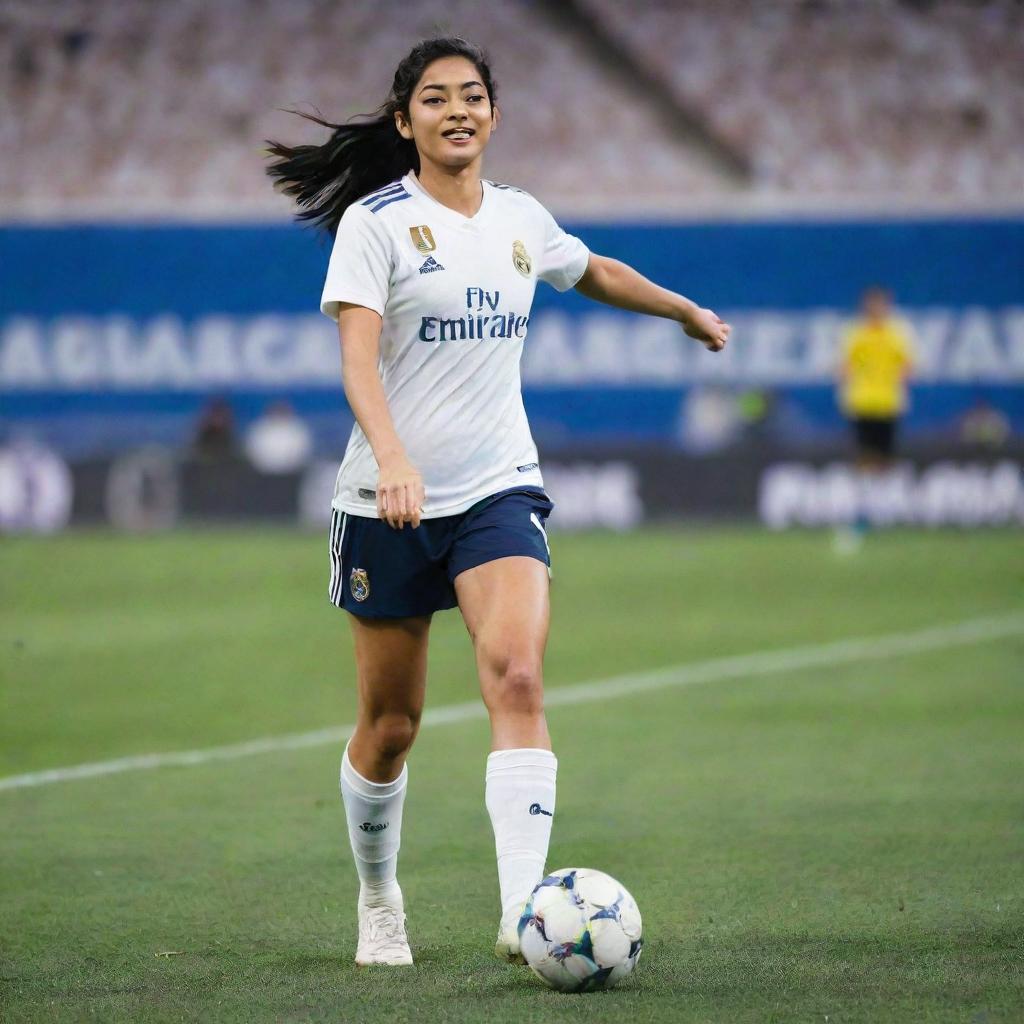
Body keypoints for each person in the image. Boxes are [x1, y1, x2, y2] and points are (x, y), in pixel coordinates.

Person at [266, 37, 729, 968]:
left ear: (495, 115)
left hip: (497, 488)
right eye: (435, 99)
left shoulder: (521, 219)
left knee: (517, 674)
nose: (457, 110)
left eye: (472, 95)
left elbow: (590, 268)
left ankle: (526, 913)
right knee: (391, 727)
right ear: (406, 123)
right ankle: (378, 895)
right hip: (385, 500)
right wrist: (392, 457)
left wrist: (679, 309)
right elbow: (357, 360)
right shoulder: (376, 223)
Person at [839, 286, 916, 472]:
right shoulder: (855, 332)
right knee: (864, 454)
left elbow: (908, 365)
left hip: (887, 401)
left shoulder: (897, 333)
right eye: (872, 304)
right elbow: (844, 366)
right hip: (862, 401)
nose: (876, 309)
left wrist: (894, 379)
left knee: (886, 454)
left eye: (880, 304)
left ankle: (883, 492)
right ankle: (866, 491)